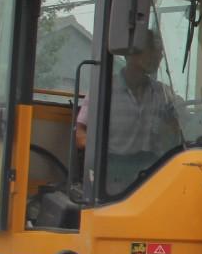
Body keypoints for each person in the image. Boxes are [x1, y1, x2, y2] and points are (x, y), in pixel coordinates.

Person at [74, 30, 181, 191]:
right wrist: (103, 155)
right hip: (111, 177)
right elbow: (80, 135)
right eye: (153, 50)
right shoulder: (104, 90)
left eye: (160, 52)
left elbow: (182, 127)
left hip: (152, 176)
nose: (159, 57)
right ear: (131, 53)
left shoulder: (163, 94)